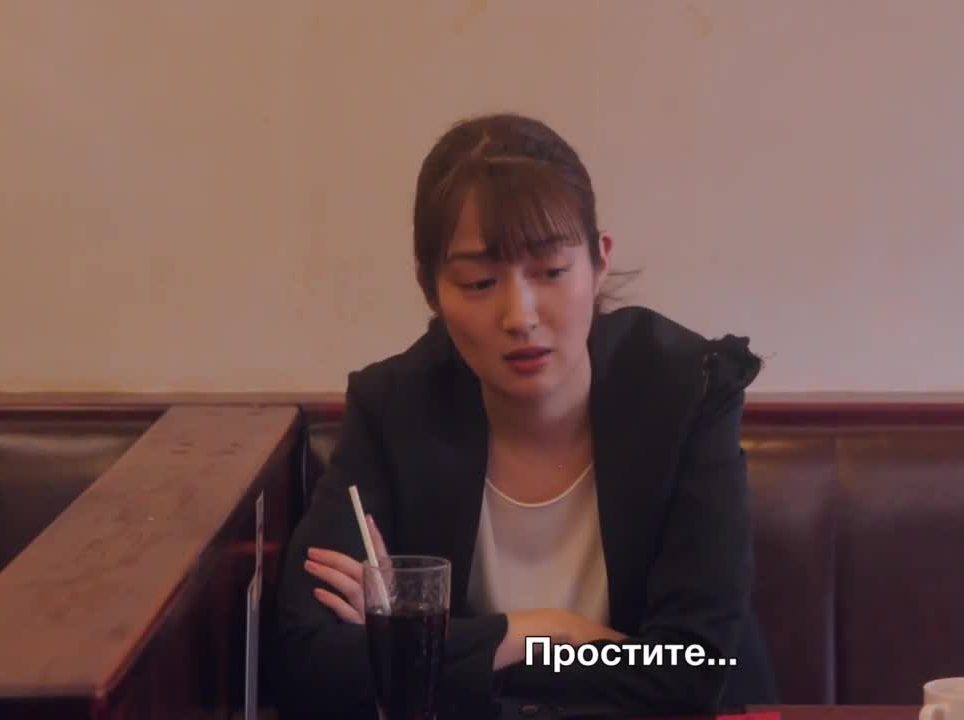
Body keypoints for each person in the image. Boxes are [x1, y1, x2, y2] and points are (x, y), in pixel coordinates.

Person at [274, 112, 777, 718]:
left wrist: (427, 648)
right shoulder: (394, 407)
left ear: (599, 261)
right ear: (431, 289)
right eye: (480, 283)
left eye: (551, 272)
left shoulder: (687, 390)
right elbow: (308, 661)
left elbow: (690, 668)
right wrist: (543, 630)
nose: (520, 316)